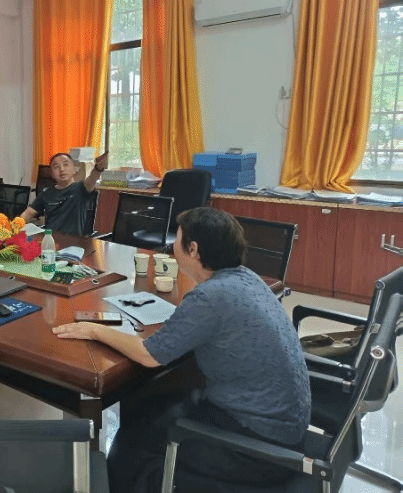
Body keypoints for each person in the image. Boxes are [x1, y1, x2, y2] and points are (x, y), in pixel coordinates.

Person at [53, 207, 310, 492]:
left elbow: (149, 356)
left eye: (177, 239)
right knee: (148, 407)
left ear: (193, 249)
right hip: (285, 428)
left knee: (135, 437)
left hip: (253, 446)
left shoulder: (210, 296)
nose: (171, 246)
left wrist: (94, 330)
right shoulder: (247, 278)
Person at [19, 151, 108, 236]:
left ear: (74, 169)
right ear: (52, 174)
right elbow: (28, 213)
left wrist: (98, 168)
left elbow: (92, 178)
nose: (61, 169)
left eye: (65, 164)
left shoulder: (81, 188)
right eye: (56, 167)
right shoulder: (46, 193)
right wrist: (16, 225)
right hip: (50, 240)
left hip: (74, 242)